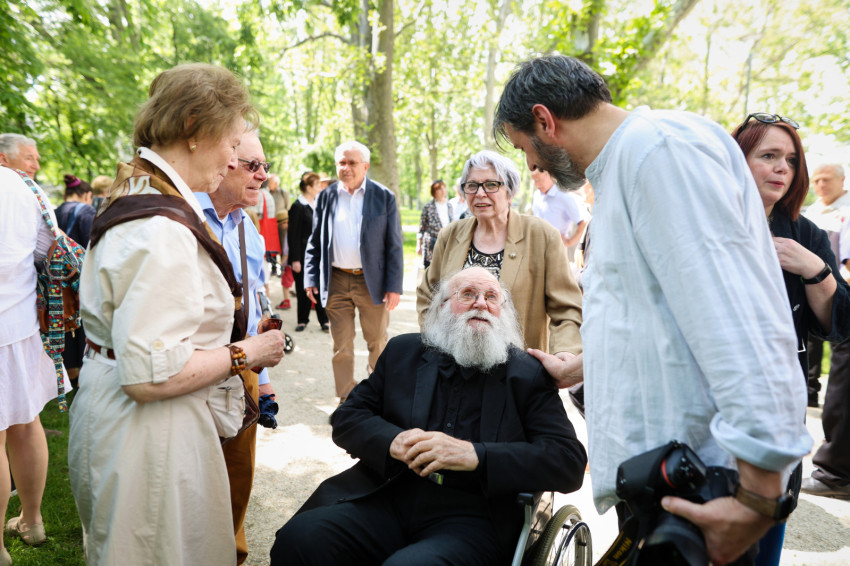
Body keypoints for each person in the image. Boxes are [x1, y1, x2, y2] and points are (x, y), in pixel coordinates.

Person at [494, 55, 811, 566]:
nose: (535, 164)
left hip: (708, 489)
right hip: (660, 484)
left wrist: (757, 493)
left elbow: (736, 319)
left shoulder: (660, 152)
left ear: (544, 120)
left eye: (525, 147)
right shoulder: (625, 166)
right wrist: (582, 365)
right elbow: (660, 314)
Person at [67, 63, 286, 565]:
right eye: (232, 144)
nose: (233, 159)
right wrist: (248, 351)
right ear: (192, 127)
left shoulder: (145, 198)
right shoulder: (161, 228)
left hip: (141, 427)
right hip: (148, 436)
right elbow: (150, 376)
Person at [270, 267, 587, 566]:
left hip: (474, 518)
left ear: (504, 313)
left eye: (492, 297)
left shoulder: (527, 374)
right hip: (389, 496)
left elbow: (568, 461)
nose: (481, 303)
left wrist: (476, 455)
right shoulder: (403, 352)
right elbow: (348, 417)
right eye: (468, 294)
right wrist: (392, 441)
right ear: (442, 307)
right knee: (300, 540)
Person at [732, 113, 850, 565]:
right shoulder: (705, 224)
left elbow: (841, 323)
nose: (783, 167)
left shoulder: (804, 233)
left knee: (767, 522)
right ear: (735, 161)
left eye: (791, 159)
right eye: (768, 155)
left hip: (777, 403)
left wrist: (814, 269)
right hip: (707, 398)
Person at [195, 128, 278, 565]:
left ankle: (230, 556)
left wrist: (261, 382)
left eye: (265, 166)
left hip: (241, 368)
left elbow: (256, 305)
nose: (262, 175)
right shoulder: (183, 216)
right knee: (189, 481)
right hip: (190, 370)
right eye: (252, 165)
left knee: (236, 479)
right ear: (224, 161)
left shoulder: (248, 227)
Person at [416, 150, 583, 357]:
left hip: (519, 367)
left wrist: (564, 352)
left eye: (491, 185)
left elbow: (566, 309)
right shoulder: (450, 235)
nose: (480, 193)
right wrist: (436, 341)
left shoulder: (542, 236)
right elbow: (428, 295)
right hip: (454, 363)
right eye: (472, 185)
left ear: (510, 192)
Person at [0, 168, 72, 564]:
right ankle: (32, 520)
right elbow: (50, 250)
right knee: (27, 425)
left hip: (17, 326)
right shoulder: (21, 185)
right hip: (22, 324)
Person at [304, 141, 404, 404]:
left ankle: (378, 396)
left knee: (377, 342)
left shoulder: (384, 196)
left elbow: (394, 245)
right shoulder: (325, 197)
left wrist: (394, 286)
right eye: (341, 162)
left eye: (352, 163)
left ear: (365, 166)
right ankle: (346, 398)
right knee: (342, 345)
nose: (346, 168)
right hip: (336, 280)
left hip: (373, 282)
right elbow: (315, 241)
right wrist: (311, 277)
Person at [802, 163, 850, 406]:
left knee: (841, 353)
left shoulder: (847, 210)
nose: (820, 185)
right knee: (811, 343)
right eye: (816, 180)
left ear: (842, 180)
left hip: (840, 289)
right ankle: (810, 392)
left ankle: (836, 418)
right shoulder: (811, 212)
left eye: (826, 179)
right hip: (810, 288)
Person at [55, 174, 98, 388]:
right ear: (88, 195)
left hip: (58, 282)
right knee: (80, 330)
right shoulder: (87, 211)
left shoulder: (55, 210)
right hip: (80, 283)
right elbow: (94, 246)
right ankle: (80, 382)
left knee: (65, 328)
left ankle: (68, 376)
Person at [288, 172, 329, 332]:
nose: (320, 188)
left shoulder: (318, 204)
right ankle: (302, 320)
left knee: (320, 286)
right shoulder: (298, 207)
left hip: (318, 255)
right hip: (302, 256)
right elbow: (293, 235)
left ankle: (324, 320)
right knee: (302, 288)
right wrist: (295, 259)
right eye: (317, 185)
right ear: (309, 187)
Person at [530, 166, 585, 260]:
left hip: (556, 251)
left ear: (550, 175)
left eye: (539, 180)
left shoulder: (565, 196)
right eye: (534, 180)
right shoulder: (536, 195)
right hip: (536, 249)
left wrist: (569, 242)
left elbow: (583, 223)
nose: (537, 185)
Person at [416, 179, 453, 268]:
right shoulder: (428, 207)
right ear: (434, 192)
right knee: (431, 270)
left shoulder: (449, 205)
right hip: (431, 244)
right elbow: (422, 227)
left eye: (443, 188)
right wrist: (418, 245)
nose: (443, 190)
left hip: (446, 243)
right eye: (439, 189)